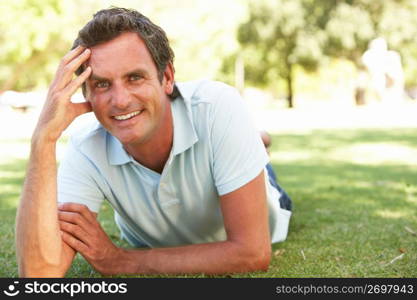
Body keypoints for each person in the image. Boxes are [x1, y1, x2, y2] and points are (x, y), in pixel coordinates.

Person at [15, 7, 292, 277]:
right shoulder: (86, 146)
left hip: (266, 191)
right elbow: (40, 274)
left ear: (167, 78)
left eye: (134, 78)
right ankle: (251, 141)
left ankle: (255, 141)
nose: (121, 100)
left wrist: (121, 261)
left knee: (250, 156)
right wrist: (43, 139)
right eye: (102, 84)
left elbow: (251, 252)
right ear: (86, 92)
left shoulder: (217, 106)